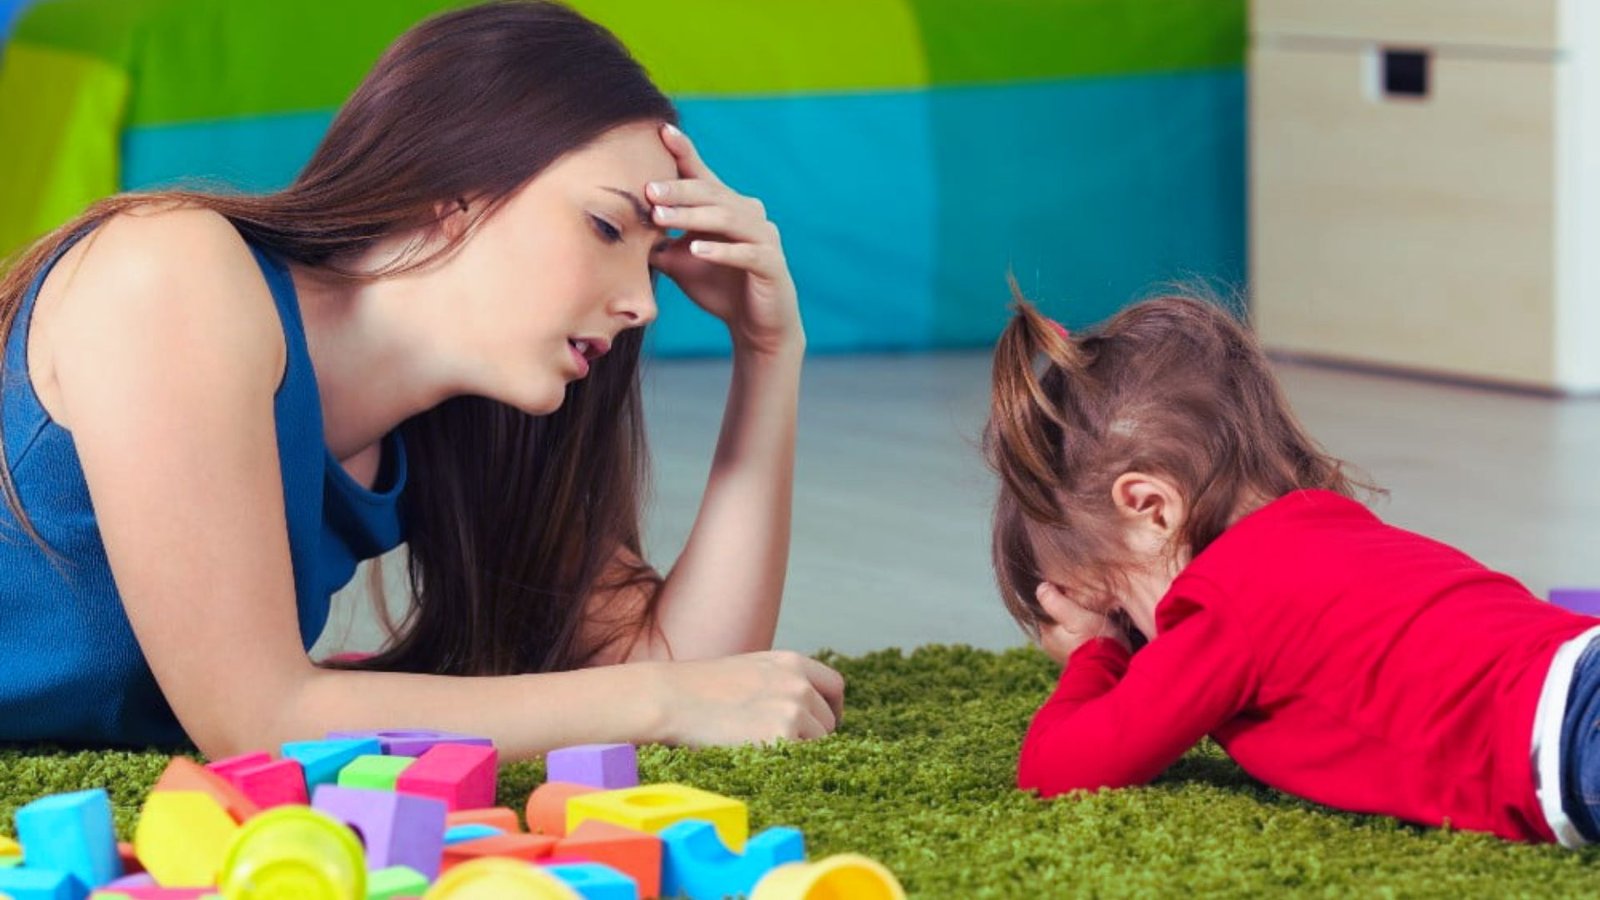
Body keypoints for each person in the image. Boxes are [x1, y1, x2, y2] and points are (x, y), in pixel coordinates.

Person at [0, 0, 843, 759]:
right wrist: (658, 702)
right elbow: (255, 720)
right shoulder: (170, 272)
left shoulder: (454, 426)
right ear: (452, 192)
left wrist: (769, 352)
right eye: (603, 225)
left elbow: (696, 673)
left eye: (651, 265)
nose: (641, 307)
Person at [984, 288, 1600, 845]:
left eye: (1119, 606)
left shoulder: (1222, 605)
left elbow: (1058, 771)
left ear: (1151, 508)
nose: (1144, 643)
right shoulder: (1331, 526)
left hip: (1574, 738)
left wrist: (1096, 654)